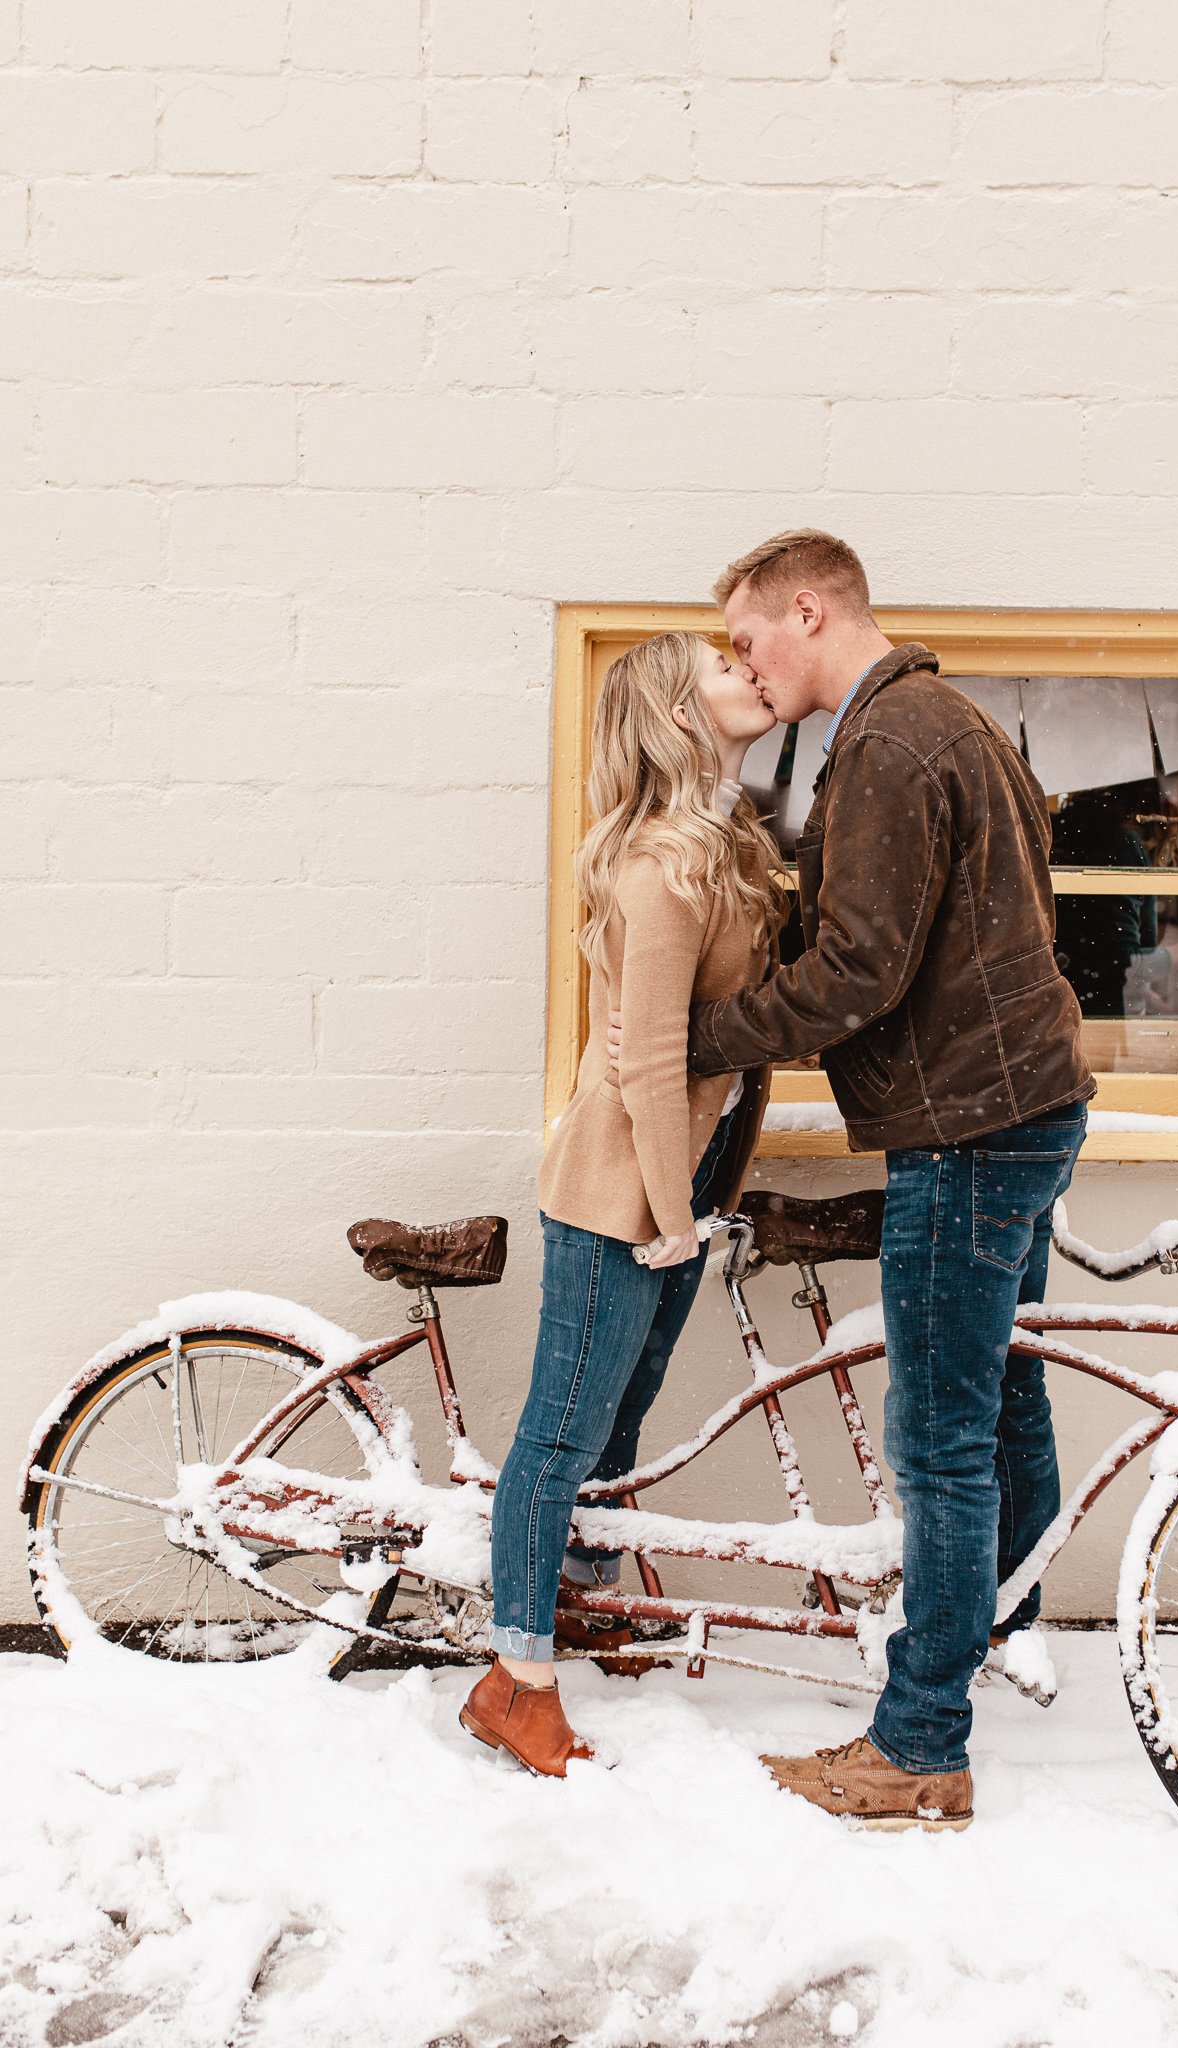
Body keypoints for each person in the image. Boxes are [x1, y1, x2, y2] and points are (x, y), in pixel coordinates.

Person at [612, 532, 1093, 1830]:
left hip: (969, 1128)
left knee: (940, 1446)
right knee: (999, 1403)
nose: (741, 662)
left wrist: (698, 1038)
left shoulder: (885, 745)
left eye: (745, 637)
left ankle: (921, 1740)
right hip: (1031, 1107)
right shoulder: (955, 724)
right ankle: (991, 1625)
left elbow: (859, 974)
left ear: (807, 612)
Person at [460, 631, 786, 1776]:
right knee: (559, 1434)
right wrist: (669, 1214)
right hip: (619, 1192)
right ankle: (516, 1676)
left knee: (620, 1418)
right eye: (721, 667)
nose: (749, 670)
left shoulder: (722, 840)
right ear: (675, 716)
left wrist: (693, 1200)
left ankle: (581, 1602)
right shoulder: (660, 864)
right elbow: (649, 1062)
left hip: (674, 1181)